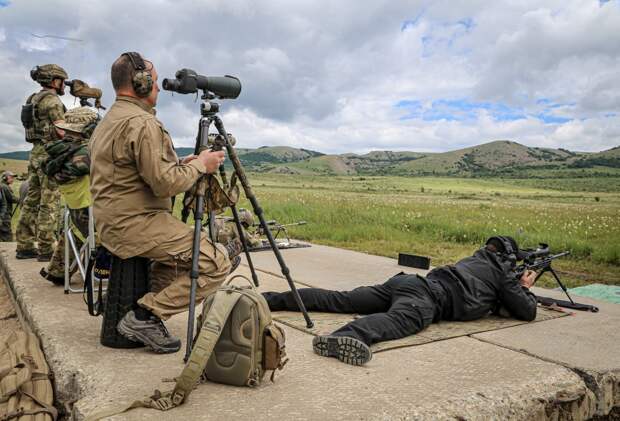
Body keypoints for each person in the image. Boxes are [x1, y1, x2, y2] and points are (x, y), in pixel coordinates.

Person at [90, 52, 240, 354]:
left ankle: (142, 312)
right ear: (141, 84)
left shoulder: (110, 120)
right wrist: (203, 166)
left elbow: (137, 171)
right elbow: (166, 183)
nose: (159, 88)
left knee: (174, 264)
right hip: (135, 224)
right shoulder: (143, 124)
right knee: (216, 263)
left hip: (114, 223)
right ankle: (146, 315)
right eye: (155, 82)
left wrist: (185, 162)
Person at [263, 236, 538, 366]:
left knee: (340, 299)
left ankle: (267, 300)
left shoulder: (474, 259)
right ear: (508, 258)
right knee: (401, 320)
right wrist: (525, 287)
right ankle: (348, 336)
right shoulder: (503, 274)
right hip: (426, 297)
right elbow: (526, 311)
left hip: (406, 282)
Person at [39, 107, 99, 285]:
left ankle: (58, 270)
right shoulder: (87, 154)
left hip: (80, 218)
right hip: (98, 222)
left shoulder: (60, 153)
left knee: (74, 229)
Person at [15, 64, 66, 261]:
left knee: (31, 200)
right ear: (54, 81)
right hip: (50, 154)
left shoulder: (33, 98)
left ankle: (24, 245)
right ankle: (46, 248)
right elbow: (62, 130)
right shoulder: (52, 101)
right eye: (61, 81)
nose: (64, 85)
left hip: (35, 152)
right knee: (49, 202)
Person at [0, 171, 17, 241]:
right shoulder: (5, 187)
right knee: (7, 235)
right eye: (11, 177)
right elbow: (11, 198)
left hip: (4, 213)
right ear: (5, 178)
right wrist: (21, 199)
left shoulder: (3, 186)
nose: (12, 179)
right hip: (5, 214)